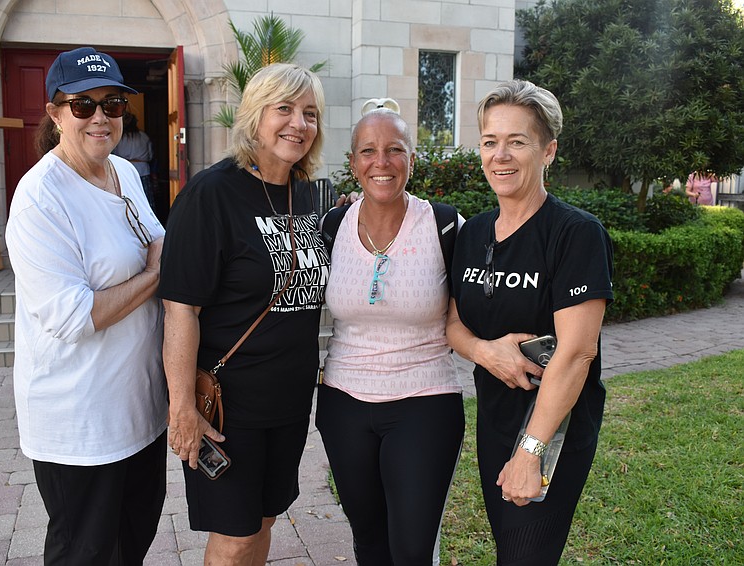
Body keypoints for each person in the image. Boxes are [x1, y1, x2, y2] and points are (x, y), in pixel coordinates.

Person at [158, 63, 330, 565]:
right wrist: (181, 406)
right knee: (233, 539)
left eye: (310, 113)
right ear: (254, 116)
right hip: (229, 405)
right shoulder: (211, 194)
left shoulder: (310, 194)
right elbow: (180, 309)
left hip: (291, 399)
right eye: (284, 109)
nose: (298, 123)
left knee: (264, 522)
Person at [5, 46, 167, 565]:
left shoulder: (122, 171)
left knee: (133, 542)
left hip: (139, 412)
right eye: (83, 105)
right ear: (54, 114)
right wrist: (155, 276)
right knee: (86, 553)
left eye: (113, 104)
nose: (101, 116)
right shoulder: (39, 199)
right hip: (80, 423)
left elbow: (157, 238)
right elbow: (74, 316)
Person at [447, 79, 614, 565]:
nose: (501, 155)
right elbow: (452, 322)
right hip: (494, 416)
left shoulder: (575, 233)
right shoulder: (473, 232)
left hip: (552, 428)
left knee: (525, 555)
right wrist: (483, 351)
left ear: (548, 152)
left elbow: (578, 351)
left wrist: (531, 451)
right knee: (510, 549)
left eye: (517, 142)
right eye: (490, 141)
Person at [316, 107, 465, 566]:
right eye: (369, 151)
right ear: (353, 161)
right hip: (343, 401)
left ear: (412, 160)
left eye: (394, 150)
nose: (381, 162)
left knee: (413, 549)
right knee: (370, 542)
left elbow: (467, 318)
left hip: (425, 398)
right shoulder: (331, 226)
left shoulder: (444, 226)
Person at [112, 111, 157, 212]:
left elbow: (113, 154)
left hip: (124, 171)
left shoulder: (119, 138)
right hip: (142, 170)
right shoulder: (143, 136)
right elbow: (150, 155)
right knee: (145, 198)